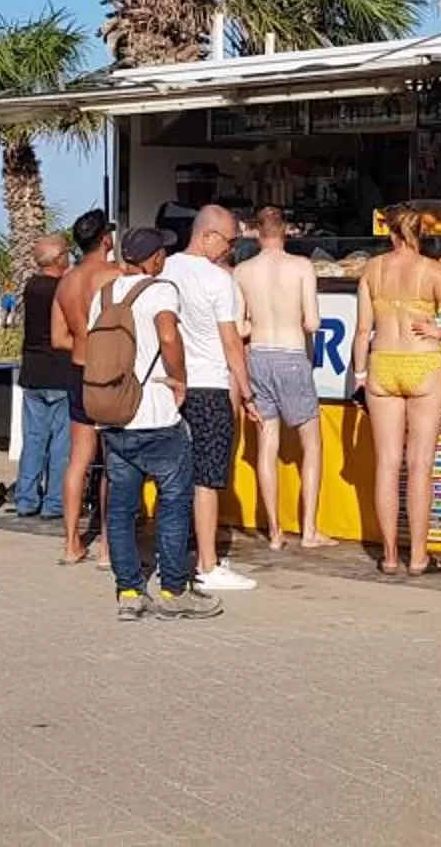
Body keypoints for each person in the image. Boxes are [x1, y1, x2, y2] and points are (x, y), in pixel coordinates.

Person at [91, 228, 218, 621]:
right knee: (174, 503)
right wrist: (180, 379)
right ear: (155, 258)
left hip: (115, 414)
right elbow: (168, 335)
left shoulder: (104, 294)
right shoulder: (161, 290)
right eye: (162, 251)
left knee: (121, 508)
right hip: (156, 415)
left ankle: (128, 591)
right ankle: (173, 590)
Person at [353, 214, 441, 577]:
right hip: (422, 363)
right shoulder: (432, 271)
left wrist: (360, 375)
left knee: (386, 464)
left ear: (390, 233)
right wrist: (438, 330)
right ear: (422, 234)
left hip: (382, 364)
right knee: (419, 465)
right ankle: (419, 557)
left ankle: (389, 556)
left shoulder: (371, 270)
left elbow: (361, 330)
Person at [162, 205, 254, 594]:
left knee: (174, 475)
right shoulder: (219, 280)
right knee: (208, 478)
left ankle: (177, 556)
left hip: (170, 385)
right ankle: (207, 562)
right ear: (208, 236)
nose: (231, 248)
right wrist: (247, 391)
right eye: (230, 240)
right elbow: (231, 342)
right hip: (210, 385)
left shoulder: (162, 270)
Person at [235, 206, 331, 550]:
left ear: (257, 233)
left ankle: (274, 531)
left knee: (266, 444)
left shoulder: (242, 271)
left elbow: (240, 325)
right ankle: (308, 530)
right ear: (286, 231)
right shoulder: (302, 267)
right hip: (292, 356)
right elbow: (313, 323)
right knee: (312, 445)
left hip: (259, 356)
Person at [52, 210, 118, 566]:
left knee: (78, 460)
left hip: (77, 369)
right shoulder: (113, 276)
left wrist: (83, 339)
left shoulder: (66, 281)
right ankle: (108, 545)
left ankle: (71, 543)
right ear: (105, 239)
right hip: (108, 373)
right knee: (113, 460)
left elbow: (57, 337)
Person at [11, 233, 76, 522]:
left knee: (34, 439)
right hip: (60, 370)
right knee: (61, 442)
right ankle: (54, 501)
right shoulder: (63, 289)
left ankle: (26, 498)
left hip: (33, 371)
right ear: (60, 257)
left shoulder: (32, 286)